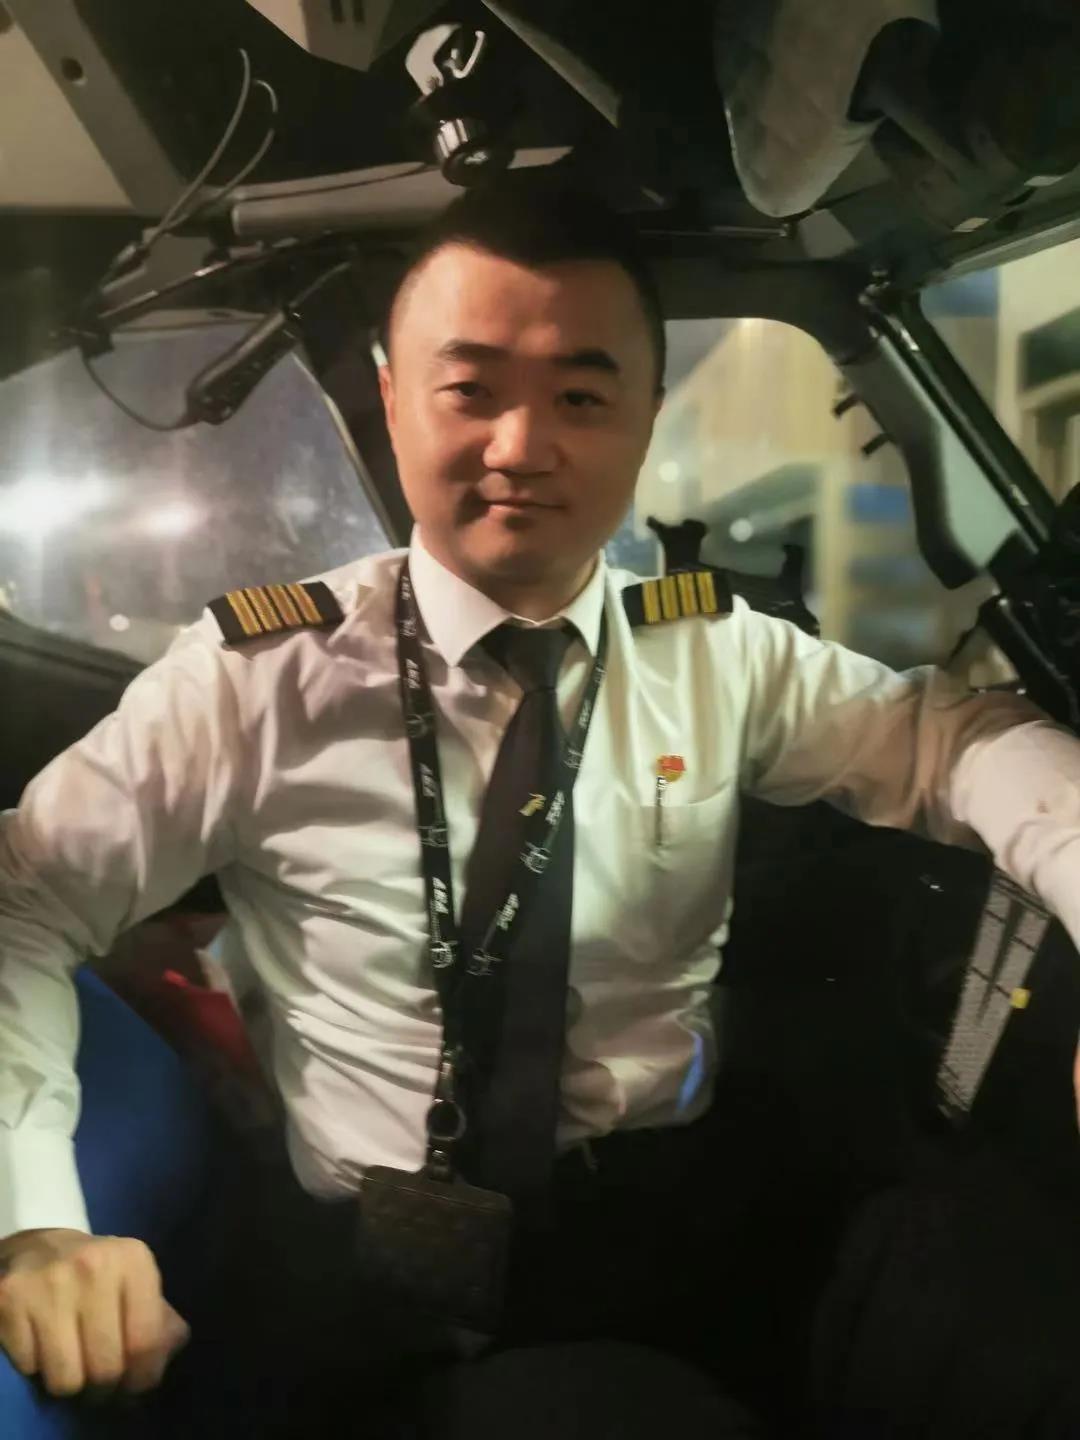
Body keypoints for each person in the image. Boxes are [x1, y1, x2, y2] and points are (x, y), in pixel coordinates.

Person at [1, 176, 1079, 1437]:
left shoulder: (713, 652)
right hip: (388, 1277)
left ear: (644, 420)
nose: (521, 446)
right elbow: (23, 906)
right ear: (392, 398)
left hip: (685, 1213)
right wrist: (36, 1222)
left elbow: (957, 742)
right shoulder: (254, 684)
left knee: (1010, 1332)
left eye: (580, 396)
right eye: (471, 391)